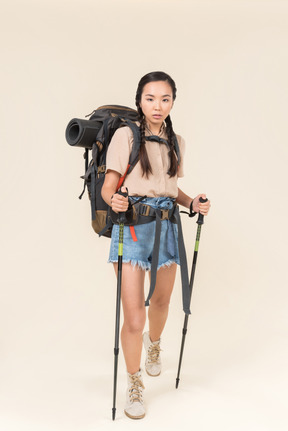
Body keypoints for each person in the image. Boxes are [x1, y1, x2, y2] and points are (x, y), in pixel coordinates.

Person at [101, 71, 211, 419]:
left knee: (162, 302)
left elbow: (167, 186)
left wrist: (191, 202)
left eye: (165, 99)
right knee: (134, 318)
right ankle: (134, 382)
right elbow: (110, 186)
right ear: (139, 101)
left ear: (173, 102)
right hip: (131, 228)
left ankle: (155, 345)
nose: (157, 106)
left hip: (166, 226)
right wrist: (114, 201)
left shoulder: (177, 140)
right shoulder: (125, 136)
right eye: (150, 98)